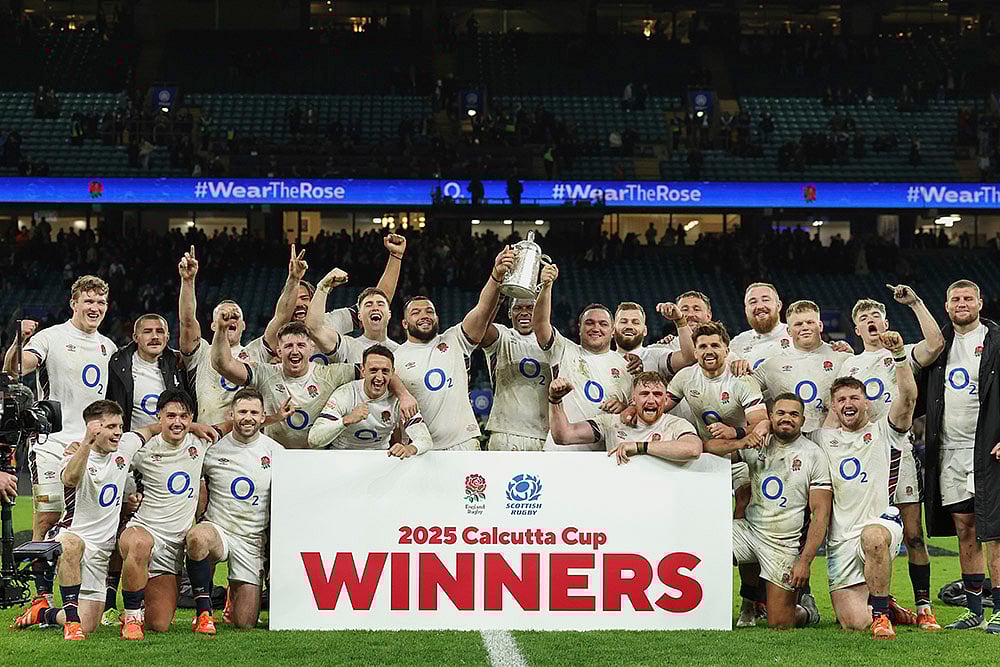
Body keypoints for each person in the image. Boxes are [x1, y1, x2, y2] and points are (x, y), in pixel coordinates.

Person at [3, 275, 117, 607]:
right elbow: (15, 370)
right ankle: (40, 598)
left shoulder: (108, 347)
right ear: (74, 303)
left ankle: (98, 598)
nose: (94, 308)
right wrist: (17, 341)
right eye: (88, 301)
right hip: (52, 442)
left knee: (91, 520)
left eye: (100, 303)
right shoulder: (51, 337)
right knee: (47, 515)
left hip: (91, 446)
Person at [842, 286, 945, 630]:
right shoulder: (848, 363)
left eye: (875, 316)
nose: (870, 321)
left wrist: (915, 303)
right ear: (856, 330)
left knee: (914, 534)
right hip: (862, 462)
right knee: (870, 535)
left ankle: (924, 606)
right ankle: (881, 605)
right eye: (863, 319)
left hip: (898, 451)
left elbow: (935, 345)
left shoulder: (899, 353)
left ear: (885, 321)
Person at [814, 330, 918, 639]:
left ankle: (883, 616)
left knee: (873, 537)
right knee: (853, 622)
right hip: (840, 539)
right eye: (841, 399)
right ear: (833, 407)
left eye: (854, 397)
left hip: (880, 523)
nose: (848, 403)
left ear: (867, 405)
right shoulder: (821, 439)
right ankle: (887, 605)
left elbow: (908, 397)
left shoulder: (886, 432)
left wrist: (900, 356)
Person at [10, 401, 142, 639]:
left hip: (101, 552)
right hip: (71, 536)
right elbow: (70, 479)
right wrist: (86, 445)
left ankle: (42, 614)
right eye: (111, 426)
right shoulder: (72, 457)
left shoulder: (126, 446)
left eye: (120, 426)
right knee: (71, 543)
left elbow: (150, 431)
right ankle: (71, 623)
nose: (118, 432)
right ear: (94, 428)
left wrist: (194, 427)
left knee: (90, 622)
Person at [704, 393, 831, 628]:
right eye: (781, 413)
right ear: (770, 417)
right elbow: (709, 448)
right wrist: (742, 442)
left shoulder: (814, 455)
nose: (787, 418)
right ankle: (740, 603)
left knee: (780, 623)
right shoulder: (756, 442)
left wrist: (804, 561)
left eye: (794, 414)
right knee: (706, 543)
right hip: (749, 531)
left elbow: (820, 515)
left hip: (782, 543)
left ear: (803, 420)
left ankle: (807, 611)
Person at [920, 279, 1000, 632]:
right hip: (949, 449)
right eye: (956, 299)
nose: (962, 303)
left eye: (969, 298)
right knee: (964, 528)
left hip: (988, 449)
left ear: (981, 303)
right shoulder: (938, 344)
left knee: (994, 532)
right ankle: (975, 611)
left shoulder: (997, 340)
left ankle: (999, 611)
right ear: (946, 304)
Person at [212, 317, 413, 450]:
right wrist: (220, 329)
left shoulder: (330, 374)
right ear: (279, 351)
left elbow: (377, 369)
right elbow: (223, 364)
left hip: (318, 458)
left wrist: (404, 395)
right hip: (278, 456)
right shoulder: (265, 373)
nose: (295, 351)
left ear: (310, 349)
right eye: (288, 346)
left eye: (300, 345)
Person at [117, 389, 218, 639]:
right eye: (170, 415)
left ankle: (141, 604)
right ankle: (131, 617)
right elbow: (109, 459)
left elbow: (228, 426)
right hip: (143, 529)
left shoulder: (200, 442)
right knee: (140, 544)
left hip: (173, 546)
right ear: (158, 416)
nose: (177, 422)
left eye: (184, 416)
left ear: (191, 418)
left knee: (159, 624)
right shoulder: (143, 448)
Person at [392, 247, 515, 451]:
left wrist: (496, 275)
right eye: (416, 312)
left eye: (429, 311)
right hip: (417, 448)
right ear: (404, 323)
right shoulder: (395, 358)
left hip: (462, 443)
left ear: (437, 318)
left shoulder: (454, 339)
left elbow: (482, 309)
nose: (424, 315)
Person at [179, 244, 308, 424]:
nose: (230, 318)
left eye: (235, 316)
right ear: (213, 325)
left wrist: (294, 279)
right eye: (224, 316)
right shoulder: (200, 353)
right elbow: (187, 321)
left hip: (249, 439)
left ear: (244, 325)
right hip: (209, 438)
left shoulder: (256, 352)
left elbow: (281, 317)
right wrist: (187, 281)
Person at [185, 388, 277, 633]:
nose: (248, 417)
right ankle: (203, 612)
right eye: (242, 411)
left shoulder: (276, 452)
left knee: (245, 623)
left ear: (262, 417)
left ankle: (232, 597)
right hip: (219, 531)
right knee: (197, 538)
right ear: (231, 414)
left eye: (253, 412)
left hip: (252, 540)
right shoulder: (213, 449)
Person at [532, 264, 632, 451]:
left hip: (603, 455)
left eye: (603, 324)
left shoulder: (626, 365)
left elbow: (637, 410)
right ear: (579, 327)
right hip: (560, 452)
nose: (596, 328)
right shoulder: (563, 350)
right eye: (589, 323)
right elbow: (539, 324)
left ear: (612, 331)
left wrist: (624, 407)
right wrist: (546, 286)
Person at [547, 372, 701, 463]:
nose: (651, 400)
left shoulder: (676, 424)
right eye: (644, 394)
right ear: (633, 399)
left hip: (661, 498)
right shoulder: (611, 422)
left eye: (658, 394)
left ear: (665, 399)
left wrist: (639, 447)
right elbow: (564, 436)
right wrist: (555, 401)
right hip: (619, 498)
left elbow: (693, 450)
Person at [749, 300, 852, 434]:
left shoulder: (843, 358)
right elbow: (742, 390)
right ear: (789, 331)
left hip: (834, 441)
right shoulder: (772, 365)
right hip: (788, 442)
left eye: (810, 322)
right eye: (798, 324)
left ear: (820, 326)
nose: (805, 327)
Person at [307, 345, 432, 455]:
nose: (379, 377)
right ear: (363, 371)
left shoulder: (400, 400)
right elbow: (314, 439)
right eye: (373, 370)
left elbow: (425, 439)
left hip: (379, 458)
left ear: (392, 373)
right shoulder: (345, 394)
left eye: (385, 371)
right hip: (342, 457)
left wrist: (410, 449)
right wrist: (346, 420)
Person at [481, 298, 551, 451]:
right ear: (509, 312)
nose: (524, 313)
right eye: (517, 308)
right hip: (505, 433)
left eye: (530, 308)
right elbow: (481, 327)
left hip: (545, 435)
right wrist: (497, 299)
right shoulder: (502, 335)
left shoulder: (553, 342)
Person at [322, 233, 407, 338]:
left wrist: (396, 256)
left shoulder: (328, 323)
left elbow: (379, 298)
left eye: (305, 298)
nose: (300, 303)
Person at [306, 273, 398, 365]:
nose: (375, 308)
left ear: (389, 314)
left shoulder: (400, 350)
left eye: (380, 304)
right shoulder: (347, 347)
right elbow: (315, 330)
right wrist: (323, 287)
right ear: (359, 316)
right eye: (368, 305)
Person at [612, 301, 694, 382]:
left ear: (645, 331)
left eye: (635, 322)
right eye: (623, 322)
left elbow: (689, 358)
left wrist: (680, 320)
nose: (629, 326)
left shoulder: (656, 356)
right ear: (613, 329)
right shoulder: (602, 360)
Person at [728, 283, 791, 370]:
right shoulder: (736, 344)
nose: (760, 306)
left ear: (778, 306)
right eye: (753, 302)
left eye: (765, 300)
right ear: (746, 310)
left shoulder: (796, 336)